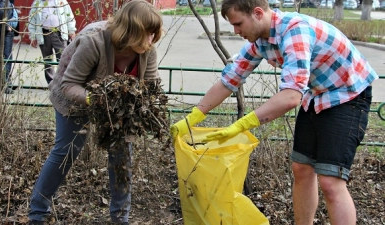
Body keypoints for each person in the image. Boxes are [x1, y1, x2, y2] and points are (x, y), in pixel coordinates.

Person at [171, 0, 378, 224]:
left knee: (331, 181)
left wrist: (241, 125)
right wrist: (193, 118)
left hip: (348, 95)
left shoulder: (294, 31)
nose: (236, 31)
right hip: (318, 95)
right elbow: (230, 80)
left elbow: (290, 97)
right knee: (301, 169)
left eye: (238, 24)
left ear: (258, 13)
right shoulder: (260, 39)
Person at [27, 1, 163, 224]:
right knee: (66, 151)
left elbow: (150, 85)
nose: (150, 41)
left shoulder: (148, 50)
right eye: (146, 34)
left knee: (122, 155)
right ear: (130, 32)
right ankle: (37, 213)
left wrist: (144, 106)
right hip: (74, 97)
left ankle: (120, 218)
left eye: (154, 35)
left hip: (117, 105)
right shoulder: (94, 41)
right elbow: (69, 85)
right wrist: (98, 99)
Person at [27, 0, 76, 85]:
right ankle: (51, 83)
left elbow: (69, 16)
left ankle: (63, 82)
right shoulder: (37, 3)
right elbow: (32, 20)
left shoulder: (61, 1)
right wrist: (33, 36)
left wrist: (71, 30)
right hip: (44, 33)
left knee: (63, 60)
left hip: (59, 33)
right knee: (47, 61)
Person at [0, 0, 19, 94]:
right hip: (5, 32)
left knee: (8, 57)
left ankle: (7, 81)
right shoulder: (0, 1)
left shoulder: (8, 1)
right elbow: (0, 10)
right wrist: (7, 23)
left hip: (8, 32)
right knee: (6, 58)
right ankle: (4, 84)